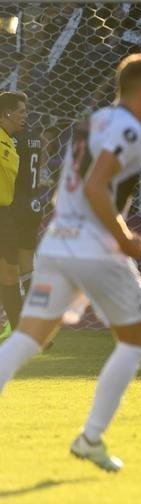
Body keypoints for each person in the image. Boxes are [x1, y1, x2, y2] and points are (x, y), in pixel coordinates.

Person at [0, 53, 141, 472]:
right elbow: (96, 188)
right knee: (135, 341)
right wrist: (125, 239)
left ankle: (91, 439)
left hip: (58, 243)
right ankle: (90, 438)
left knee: (29, 337)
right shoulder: (128, 130)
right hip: (94, 250)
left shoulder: (90, 122)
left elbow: (68, 188)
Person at [0, 91, 34, 337]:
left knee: (9, 274)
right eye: (21, 111)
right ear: (6, 113)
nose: (26, 116)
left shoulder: (9, 142)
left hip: (5, 215)